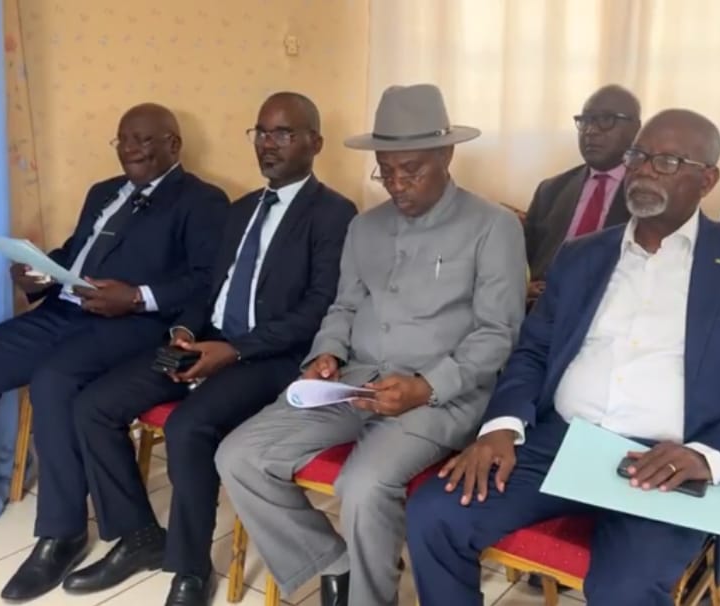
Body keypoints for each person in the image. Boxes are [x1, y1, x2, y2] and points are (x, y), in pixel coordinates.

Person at [405, 109, 720, 606]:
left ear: (707, 180)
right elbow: (533, 352)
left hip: (667, 459)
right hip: (559, 442)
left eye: (667, 161)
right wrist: (502, 426)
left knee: (625, 587)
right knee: (435, 515)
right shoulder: (582, 254)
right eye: (638, 156)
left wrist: (707, 456)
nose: (643, 170)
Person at [0, 92, 355, 606]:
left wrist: (232, 350)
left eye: (283, 133)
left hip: (270, 356)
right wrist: (185, 332)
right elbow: (210, 287)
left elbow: (317, 310)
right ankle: (138, 535)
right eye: (261, 132)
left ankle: (190, 569)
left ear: (315, 143)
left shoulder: (335, 213)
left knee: (189, 427)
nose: (268, 144)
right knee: (93, 406)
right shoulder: (242, 209)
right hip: (206, 342)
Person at [215, 83, 527, 606]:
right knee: (238, 455)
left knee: (362, 486)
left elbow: (498, 333)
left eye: (412, 170)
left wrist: (426, 386)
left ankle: (369, 596)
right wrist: (326, 354)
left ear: (446, 155)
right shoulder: (365, 227)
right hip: (354, 382)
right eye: (386, 171)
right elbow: (343, 307)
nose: (397, 185)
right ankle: (334, 563)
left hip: (440, 396)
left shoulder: (493, 227)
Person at [0, 104, 228, 579]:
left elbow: (206, 282)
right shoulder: (104, 192)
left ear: (173, 145)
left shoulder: (204, 201)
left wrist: (135, 298)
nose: (131, 149)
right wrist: (39, 273)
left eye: (144, 140)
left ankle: (63, 532)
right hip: (63, 311)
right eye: (123, 139)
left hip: (131, 326)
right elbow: (76, 254)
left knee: (53, 381)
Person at [523, 85, 640, 307]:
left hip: (606, 309)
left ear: (636, 128)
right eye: (585, 121)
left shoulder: (648, 196)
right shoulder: (550, 190)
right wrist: (521, 286)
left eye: (605, 120)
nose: (590, 131)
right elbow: (520, 259)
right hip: (540, 307)